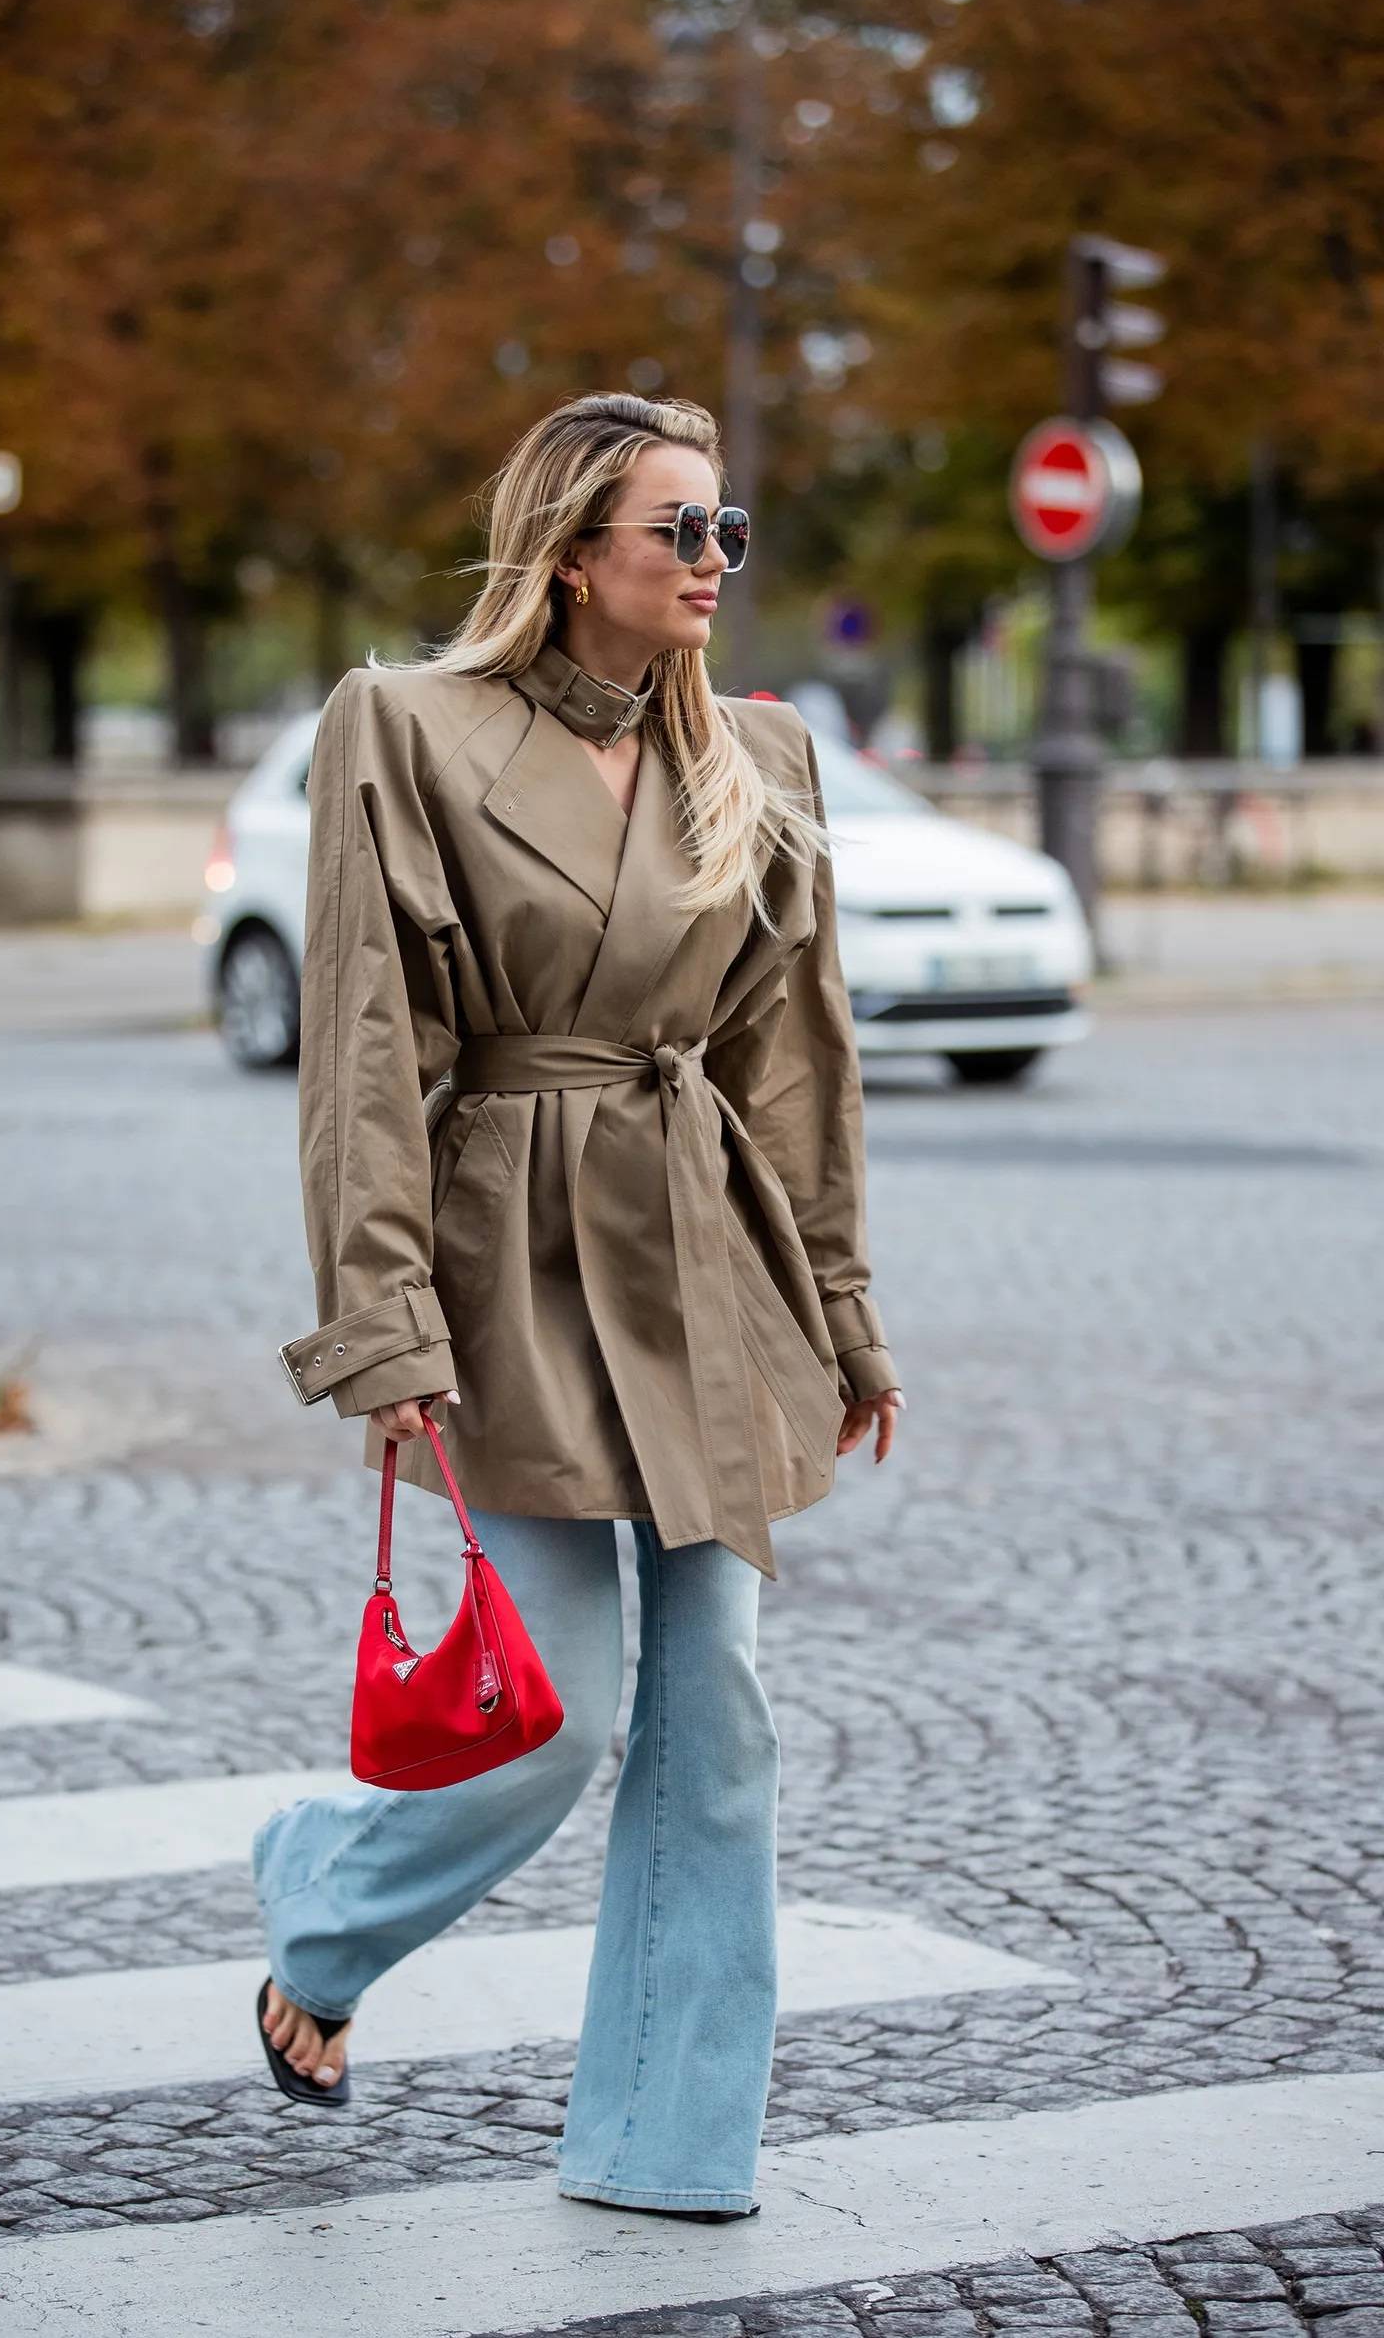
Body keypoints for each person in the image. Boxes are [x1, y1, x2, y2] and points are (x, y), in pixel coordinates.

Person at [252, 390, 904, 2221]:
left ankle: (669, 2142)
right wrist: (381, 1324)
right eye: (676, 532)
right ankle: (324, 1904)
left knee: (725, 1728)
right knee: (554, 1715)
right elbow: (368, 1048)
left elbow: (796, 1064)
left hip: (704, 1246)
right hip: (507, 1249)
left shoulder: (760, 763)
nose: (714, 564)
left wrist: (843, 1315)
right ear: (568, 556)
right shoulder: (406, 727)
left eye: (729, 531)